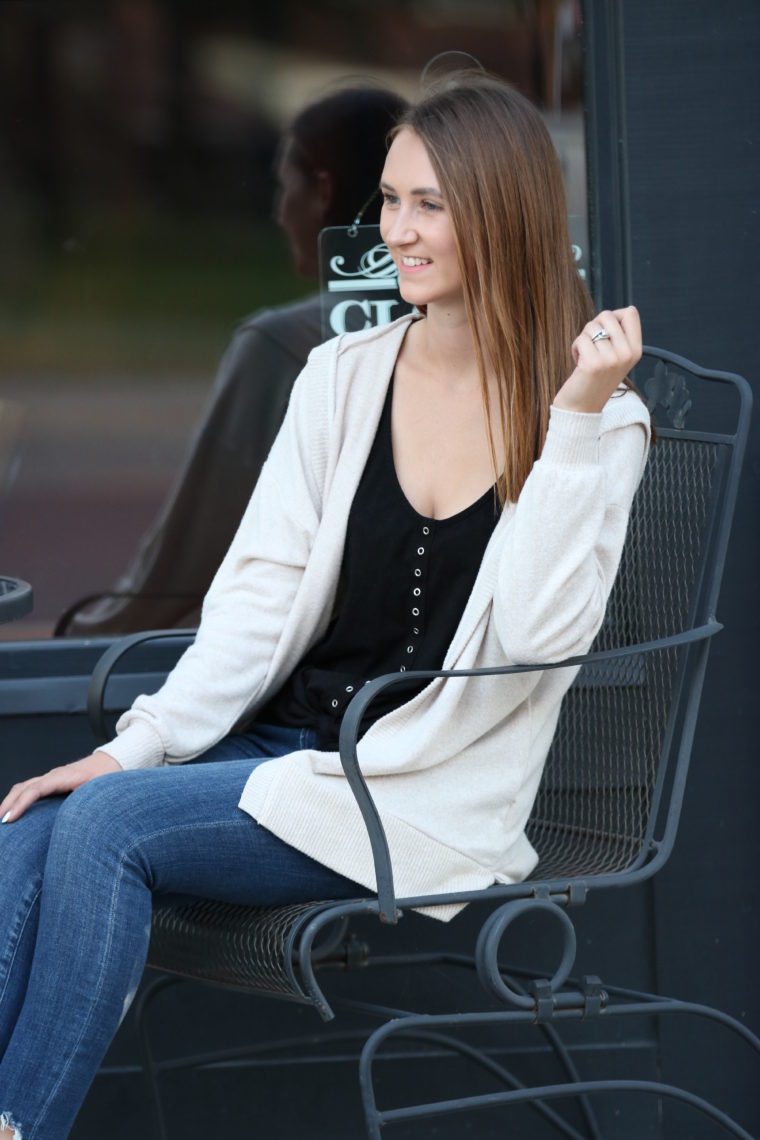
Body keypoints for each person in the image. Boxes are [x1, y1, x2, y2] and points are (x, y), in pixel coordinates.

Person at [0, 70, 649, 1138]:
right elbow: (255, 597)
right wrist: (140, 743)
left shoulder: (591, 427)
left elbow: (539, 642)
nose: (394, 229)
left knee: (106, 830)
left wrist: (574, 420)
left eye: (427, 204)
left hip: (416, 792)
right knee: (37, 822)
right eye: (388, 200)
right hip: (288, 749)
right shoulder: (341, 375)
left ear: (502, 210)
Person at [59, 84, 408, 636]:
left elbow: (187, 559)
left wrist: (81, 640)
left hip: (292, 668)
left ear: (322, 190)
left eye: (282, 183)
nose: (276, 210)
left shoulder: (283, 345)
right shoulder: (467, 329)